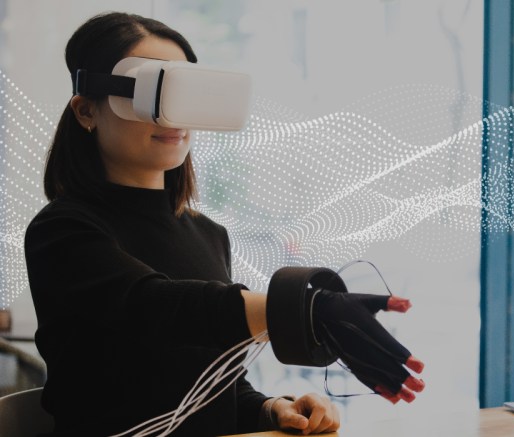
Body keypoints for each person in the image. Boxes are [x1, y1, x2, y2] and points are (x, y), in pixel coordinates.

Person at [24, 12, 422, 436]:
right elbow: (156, 307)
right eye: (151, 94)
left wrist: (273, 409)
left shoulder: (208, 234)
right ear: (87, 111)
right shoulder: (61, 232)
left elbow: (215, 381)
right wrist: (300, 308)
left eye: (183, 95)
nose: (171, 118)